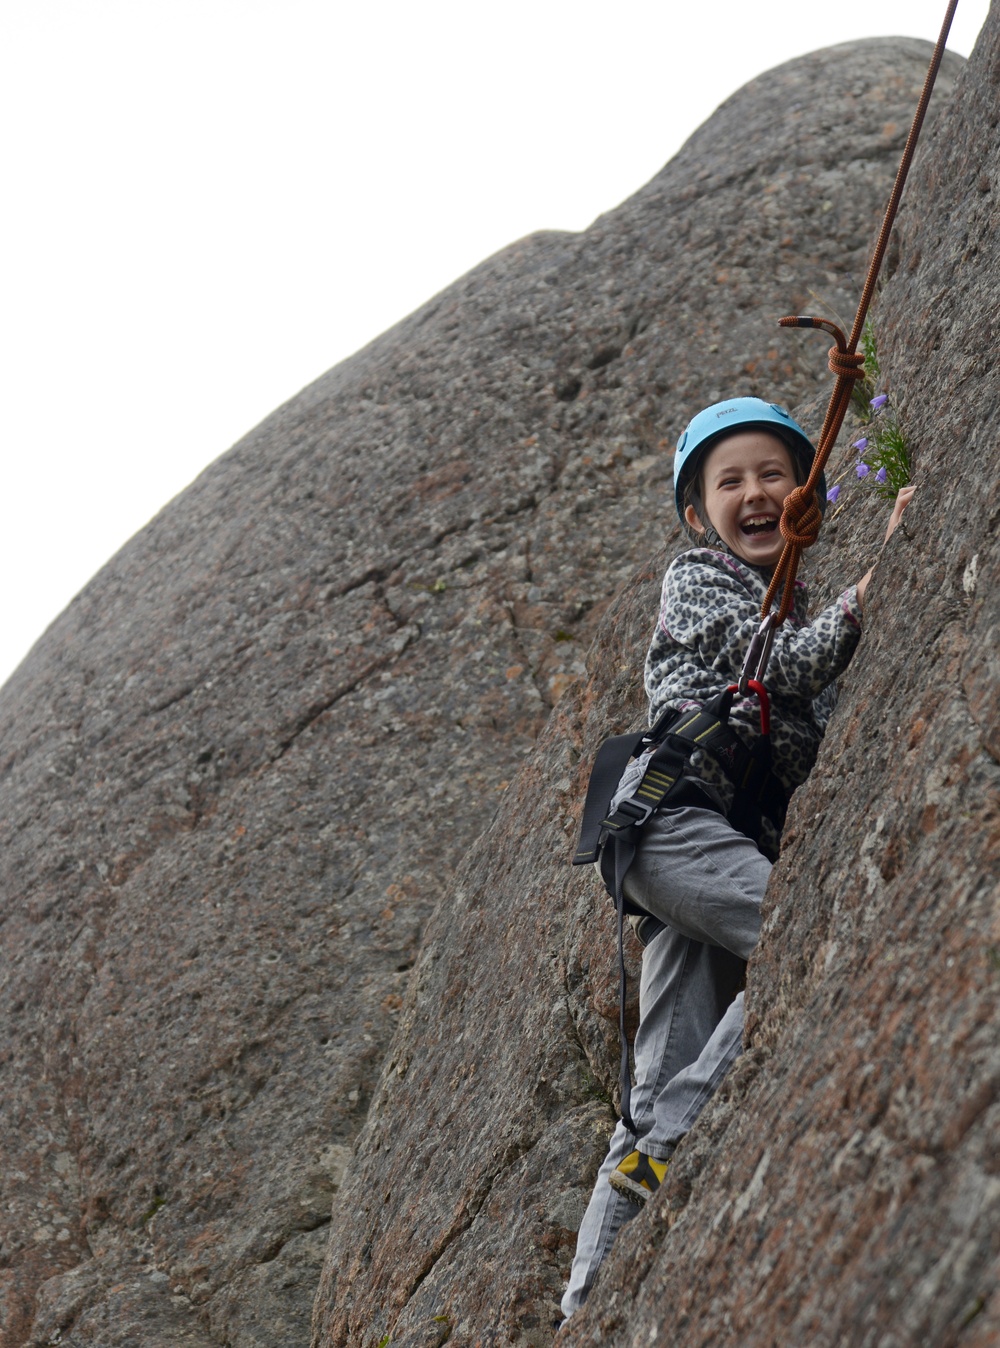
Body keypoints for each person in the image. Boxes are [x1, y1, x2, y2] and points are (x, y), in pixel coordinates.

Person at [560, 396, 914, 1321]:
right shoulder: (699, 581)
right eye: (730, 482)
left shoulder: (782, 593)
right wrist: (876, 584)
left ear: (807, 496)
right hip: (673, 828)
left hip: (701, 850)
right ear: (696, 514)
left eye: (775, 474)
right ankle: (674, 1142)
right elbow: (776, 663)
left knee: (650, 1087)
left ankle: (584, 1302)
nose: (756, 493)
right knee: (800, 939)